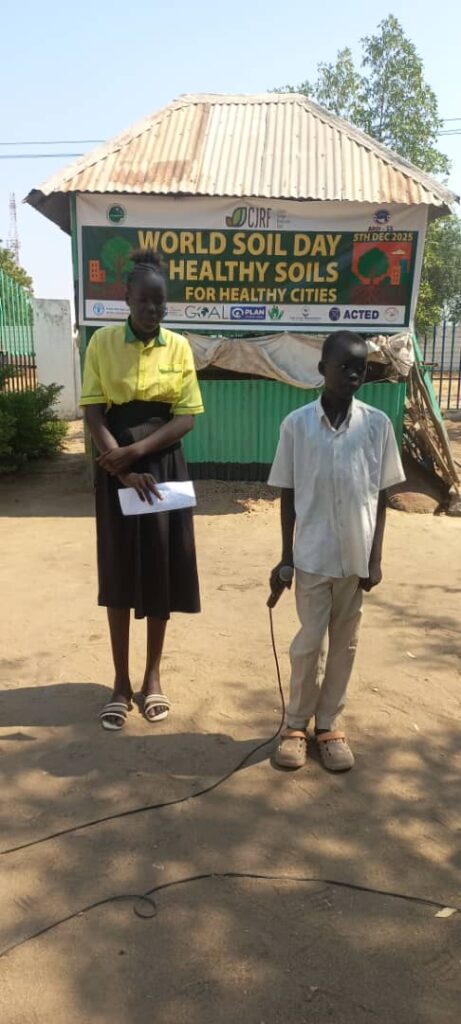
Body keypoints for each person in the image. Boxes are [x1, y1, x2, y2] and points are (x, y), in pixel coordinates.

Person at [268, 330, 405, 772]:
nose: (353, 374)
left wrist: (375, 558)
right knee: (308, 645)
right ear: (321, 368)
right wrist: (286, 557)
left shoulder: (377, 426)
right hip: (311, 557)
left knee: (345, 643)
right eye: (344, 366)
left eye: (360, 368)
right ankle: (295, 725)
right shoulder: (296, 425)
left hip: (354, 559)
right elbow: (288, 494)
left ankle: (328, 725)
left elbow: (380, 496)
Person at [80, 249, 203, 731]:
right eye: (145, 300)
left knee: (160, 568)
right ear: (126, 298)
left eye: (160, 302)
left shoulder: (179, 347)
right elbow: (94, 410)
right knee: (118, 571)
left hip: (163, 463)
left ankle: (152, 678)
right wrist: (120, 466)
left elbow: (185, 417)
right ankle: (119, 683)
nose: (153, 309)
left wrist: (138, 454)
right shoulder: (102, 343)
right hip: (115, 464)